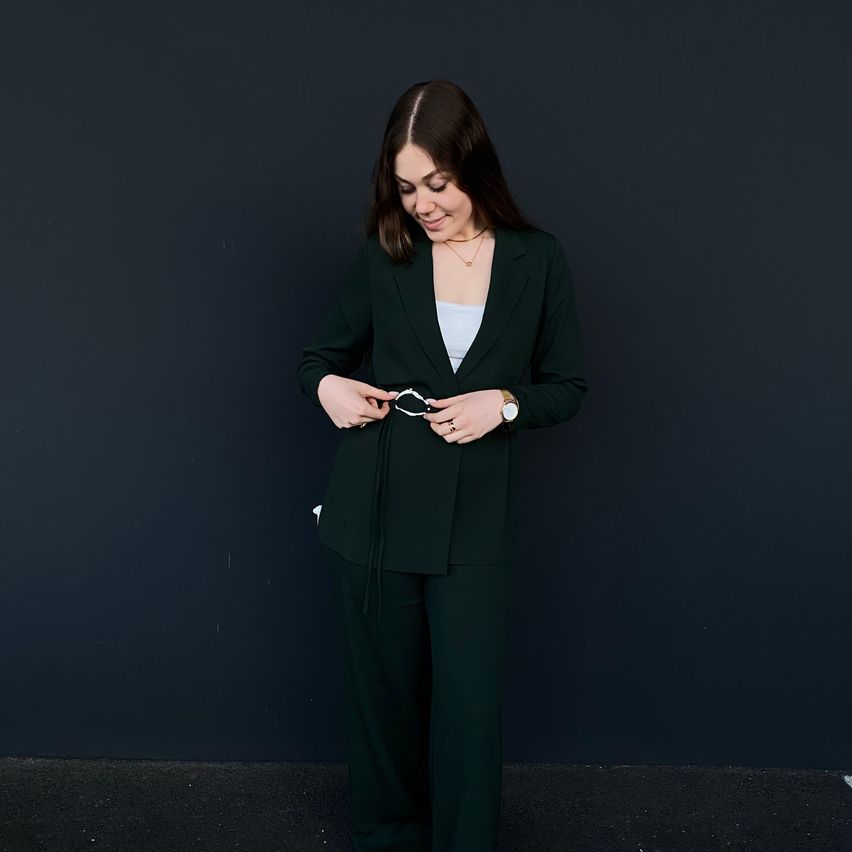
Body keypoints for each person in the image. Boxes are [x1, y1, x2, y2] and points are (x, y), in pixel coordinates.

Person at [296, 78, 588, 852]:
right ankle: (389, 837)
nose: (422, 204)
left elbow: (568, 386)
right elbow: (317, 359)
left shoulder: (537, 259)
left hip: (475, 518)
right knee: (384, 701)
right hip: (375, 506)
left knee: (468, 705)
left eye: (437, 183)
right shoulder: (384, 254)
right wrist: (329, 388)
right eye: (405, 188)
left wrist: (506, 403)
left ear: (473, 165)